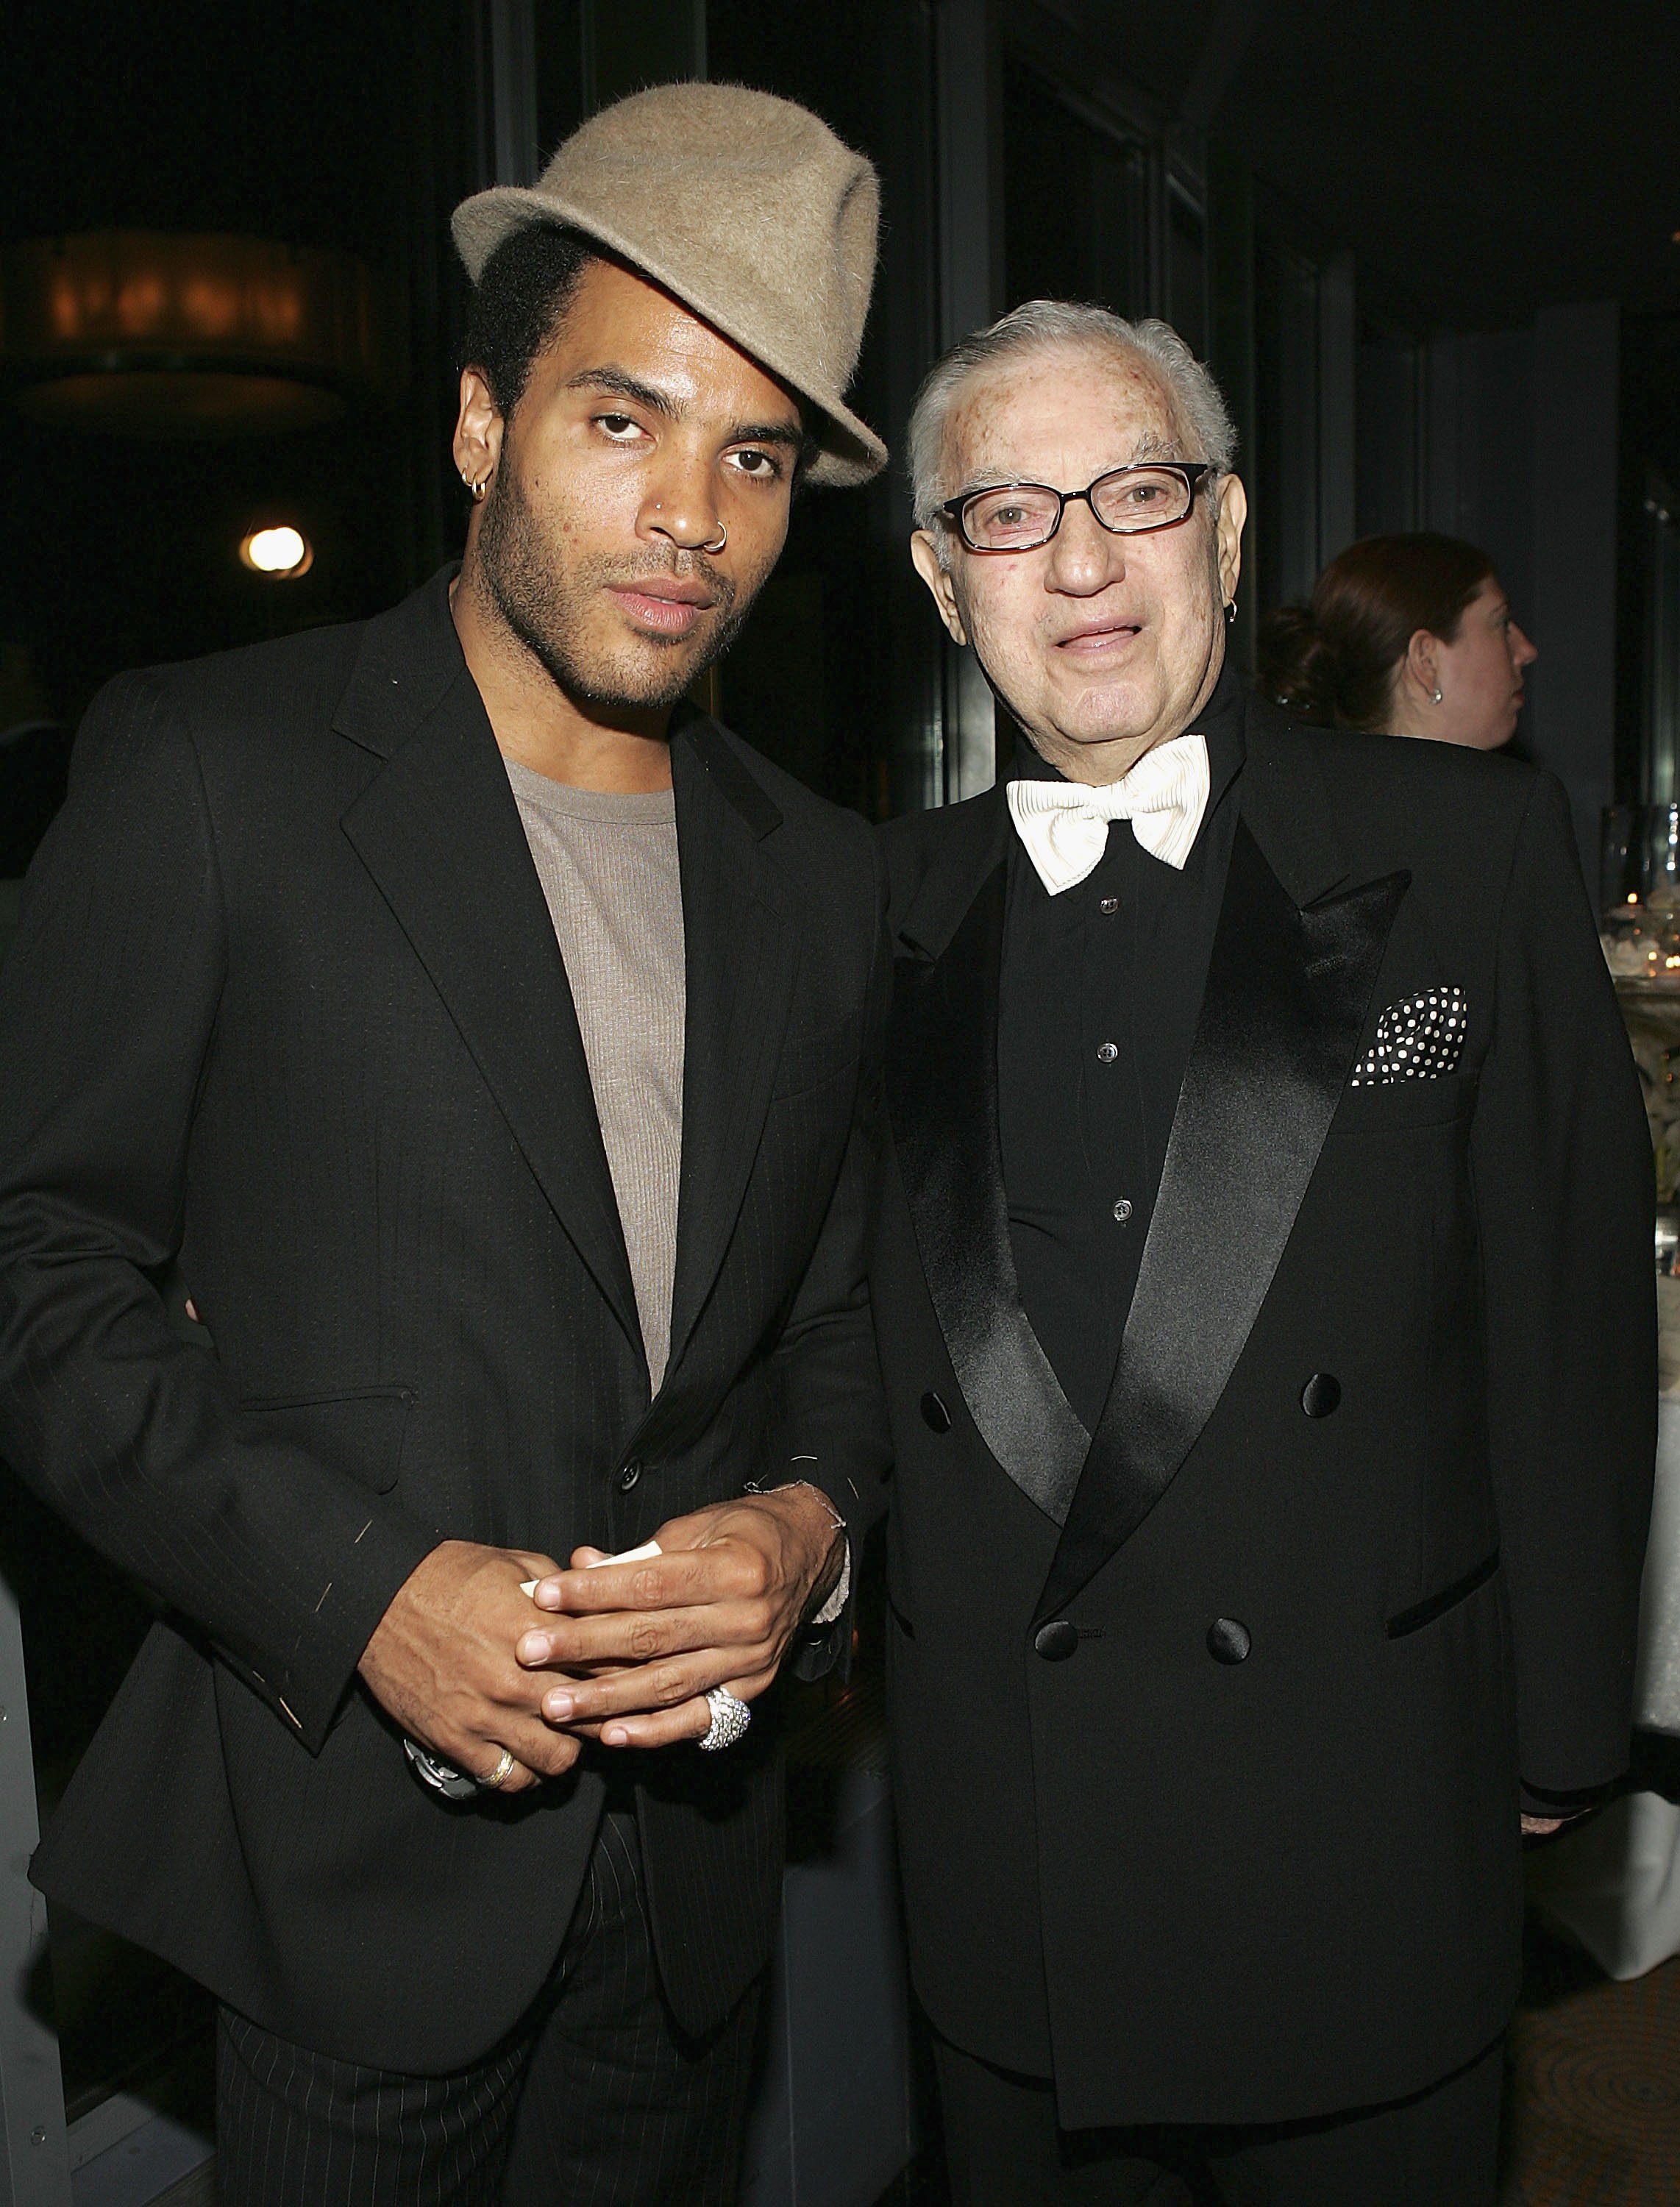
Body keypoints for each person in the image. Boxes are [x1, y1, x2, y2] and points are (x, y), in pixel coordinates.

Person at [0, 83, 891, 2207]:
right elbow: (33, 1264)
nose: (692, 513)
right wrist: (352, 1586)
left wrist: (814, 1537)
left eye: (752, 455)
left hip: (685, 1891)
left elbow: (845, 1316)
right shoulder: (216, 771)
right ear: (484, 424)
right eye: (624, 421)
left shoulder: (822, 875)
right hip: (345, 1866)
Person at [869, 299, 1654, 2205]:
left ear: (1223, 531)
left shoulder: (1467, 845)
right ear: (936, 576)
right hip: (1013, 1843)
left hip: (1356, 1810)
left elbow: (1564, 1309)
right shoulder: (876, 903)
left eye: (1134, 492)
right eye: (1005, 511)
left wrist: (1558, 1725)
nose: (1076, 560)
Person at [1257, 530, 1537, 748]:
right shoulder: (1511, 812)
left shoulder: (1322, 807)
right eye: (1501, 623)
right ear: (1426, 661)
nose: (1526, 651)